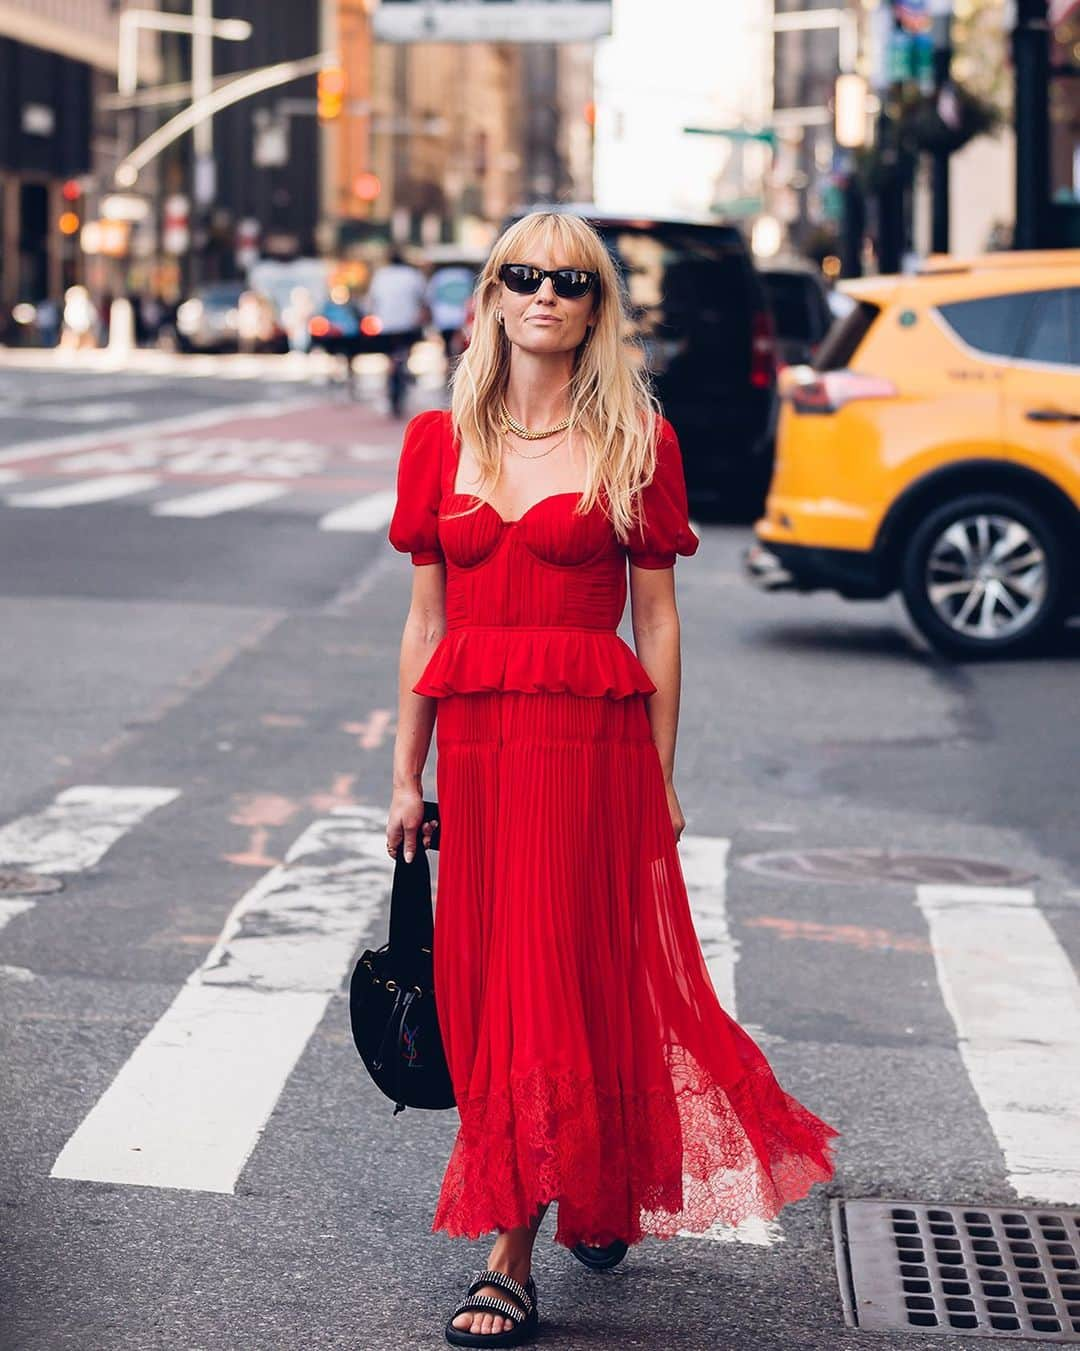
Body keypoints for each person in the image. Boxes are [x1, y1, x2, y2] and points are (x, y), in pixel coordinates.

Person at [385, 211, 838, 1347]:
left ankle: (511, 1248)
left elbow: (661, 620)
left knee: (552, 980)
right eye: (521, 275)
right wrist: (403, 773)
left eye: (569, 280)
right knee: (498, 989)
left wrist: (659, 773)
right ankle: (584, 1180)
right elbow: (423, 619)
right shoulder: (439, 444)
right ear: (490, 296)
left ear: (597, 308)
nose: (544, 294)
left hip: (588, 756)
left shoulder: (639, 438)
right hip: (483, 758)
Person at [366, 248, 428, 417]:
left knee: (390, 358)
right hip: (408, 324)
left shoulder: (381, 275)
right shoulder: (413, 275)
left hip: (386, 324)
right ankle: (404, 369)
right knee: (405, 354)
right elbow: (423, 299)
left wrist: (373, 315)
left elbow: (372, 300)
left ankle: (394, 375)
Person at [425, 262, 475, 365]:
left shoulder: (438, 276)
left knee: (449, 348)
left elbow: (430, 298)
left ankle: (451, 368)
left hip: (444, 320)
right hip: (463, 319)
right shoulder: (466, 274)